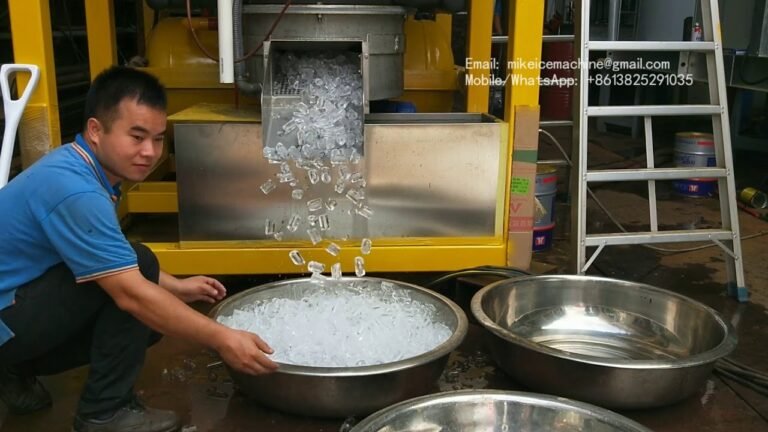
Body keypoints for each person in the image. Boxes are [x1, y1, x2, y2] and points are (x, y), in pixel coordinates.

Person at [0, 66, 278, 432]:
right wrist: (224, 339)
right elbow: (131, 293)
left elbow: (107, 252)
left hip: (14, 305)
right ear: (96, 130)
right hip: (7, 317)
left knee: (145, 284)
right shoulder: (74, 190)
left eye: (158, 138)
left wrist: (175, 287)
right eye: (137, 136)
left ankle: (14, 370)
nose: (150, 152)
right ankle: (103, 413)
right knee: (141, 288)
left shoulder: (80, 166)